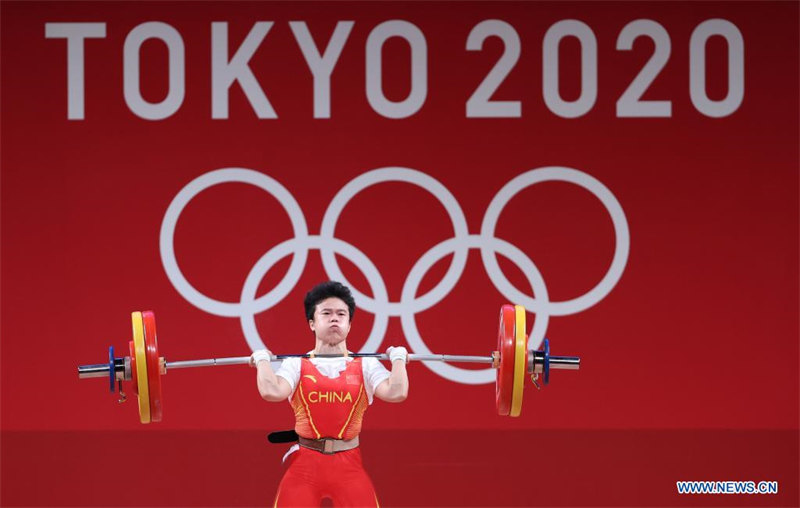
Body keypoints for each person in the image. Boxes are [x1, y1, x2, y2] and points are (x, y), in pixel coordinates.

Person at [250, 280, 409, 507]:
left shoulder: (367, 365)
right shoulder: (296, 365)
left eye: (341, 314)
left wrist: (399, 360)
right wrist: (263, 361)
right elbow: (272, 391)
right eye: (326, 313)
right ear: (312, 323)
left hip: (349, 468)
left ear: (349, 324)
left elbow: (397, 392)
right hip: (305, 469)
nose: (335, 318)